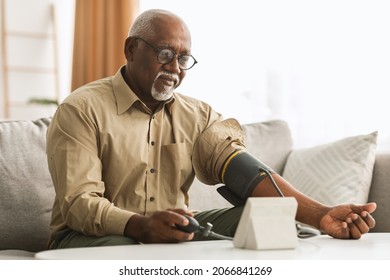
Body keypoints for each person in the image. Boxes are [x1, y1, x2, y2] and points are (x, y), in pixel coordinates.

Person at [46, 9, 376, 249]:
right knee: (124, 249)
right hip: (88, 236)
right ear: (131, 49)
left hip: (169, 228)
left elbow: (246, 174)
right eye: (164, 54)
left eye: (184, 58)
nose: (175, 68)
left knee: (269, 224)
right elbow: (79, 205)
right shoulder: (81, 109)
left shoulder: (197, 114)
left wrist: (320, 215)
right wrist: (141, 226)